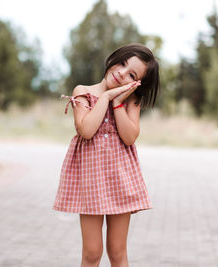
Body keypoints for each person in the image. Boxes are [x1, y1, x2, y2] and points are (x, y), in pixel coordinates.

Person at [53, 43, 160, 267]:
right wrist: (105, 97)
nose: (122, 73)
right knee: (92, 252)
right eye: (122, 63)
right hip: (91, 180)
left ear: (136, 84)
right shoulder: (83, 91)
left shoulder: (131, 100)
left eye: (131, 74)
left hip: (120, 179)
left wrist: (118, 102)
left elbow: (130, 137)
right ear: (114, 58)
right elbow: (87, 130)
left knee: (117, 250)